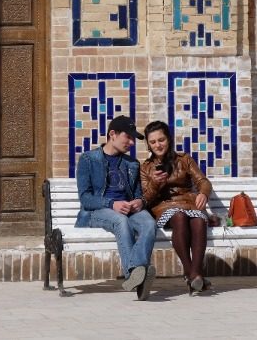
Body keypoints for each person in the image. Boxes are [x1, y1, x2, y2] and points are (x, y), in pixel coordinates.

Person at [75, 115, 157, 300]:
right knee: (121, 221)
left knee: (149, 224)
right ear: (112, 134)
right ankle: (134, 274)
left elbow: (138, 194)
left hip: (128, 210)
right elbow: (85, 198)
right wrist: (111, 204)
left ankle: (137, 276)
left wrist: (139, 202)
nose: (131, 142)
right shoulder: (88, 159)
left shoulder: (132, 164)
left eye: (132, 139)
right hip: (98, 212)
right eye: (127, 137)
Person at [140, 120, 213, 295]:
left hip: (188, 203)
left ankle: (194, 276)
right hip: (163, 207)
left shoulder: (184, 160)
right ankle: (193, 274)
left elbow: (202, 181)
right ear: (149, 145)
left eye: (161, 140)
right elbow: (146, 199)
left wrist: (203, 193)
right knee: (179, 216)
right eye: (153, 142)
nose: (158, 145)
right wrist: (156, 184)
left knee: (198, 220)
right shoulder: (145, 168)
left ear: (169, 139)